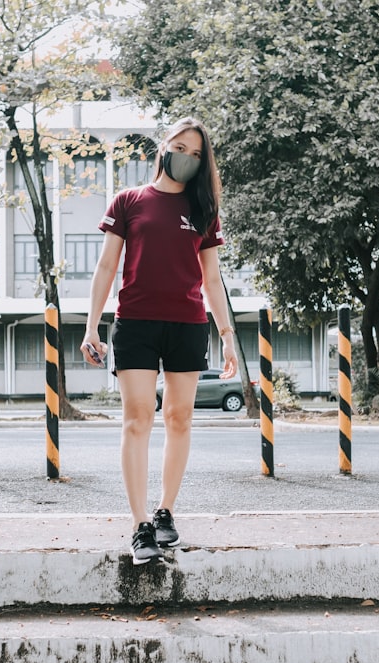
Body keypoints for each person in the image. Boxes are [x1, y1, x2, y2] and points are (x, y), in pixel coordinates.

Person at [81, 117, 238, 565]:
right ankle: (139, 524)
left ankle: (166, 510)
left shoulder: (203, 210)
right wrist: (92, 325)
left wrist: (227, 335)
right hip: (136, 323)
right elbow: (106, 267)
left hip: (188, 324)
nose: (186, 157)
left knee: (180, 418)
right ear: (163, 146)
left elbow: (211, 278)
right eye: (180, 147)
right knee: (137, 417)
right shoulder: (129, 201)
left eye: (196, 154)